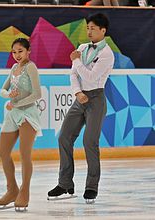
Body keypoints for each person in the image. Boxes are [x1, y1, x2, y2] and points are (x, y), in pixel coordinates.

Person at [47, 13, 114, 204]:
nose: (89, 31)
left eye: (93, 28)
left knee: (89, 142)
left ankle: (92, 187)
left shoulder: (107, 54)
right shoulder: (82, 48)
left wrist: (75, 60)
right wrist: (77, 93)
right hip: (80, 98)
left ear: (103, 31)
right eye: (87, 28)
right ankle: (65, 183)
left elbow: (92, 77)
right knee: (64, 137)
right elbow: (73, 74)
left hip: (96, 100)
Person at [0, 38, 42, 211]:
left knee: (24, 155)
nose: (17, 55)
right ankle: (12, 189)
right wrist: (8, 96)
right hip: (13, 114)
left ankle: (24, 192)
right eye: (14, 52)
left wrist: (15, 103)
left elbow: (37, 94)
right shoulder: (14, 68)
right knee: (3, 152)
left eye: (20, 51)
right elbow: (2, 90)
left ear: (28, 51)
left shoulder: (31, 67)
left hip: (28, 114)